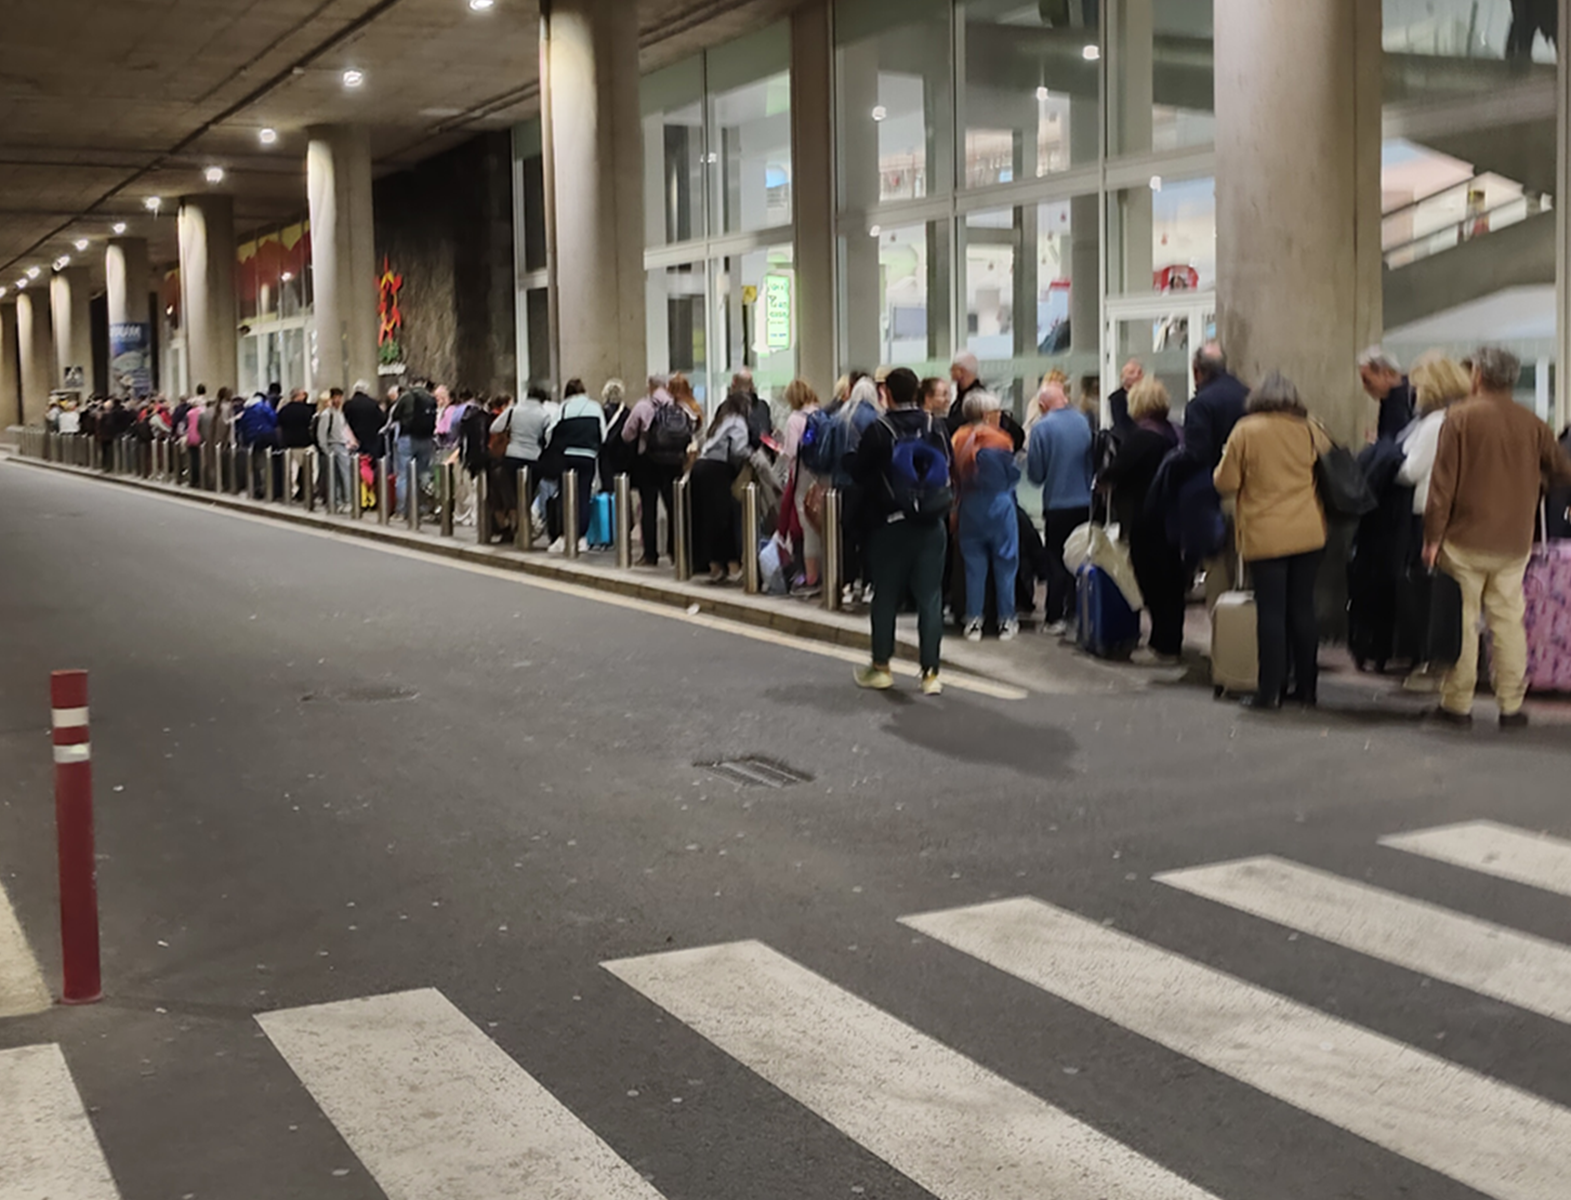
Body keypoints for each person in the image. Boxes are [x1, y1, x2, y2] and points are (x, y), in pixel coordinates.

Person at [1423, 345, 1571, 729]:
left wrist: (1432, 538)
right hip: (1514, 542)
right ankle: (1511, 705)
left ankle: (1457, 703)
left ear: (1477, 376)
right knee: (1508, 622)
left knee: (1465, 621)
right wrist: (1537, 486)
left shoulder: (1458, 418)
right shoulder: (1532, 422)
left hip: (1463, 539)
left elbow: (1442, 486)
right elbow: (1563, 469)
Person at [1214, 371, 1330, 711]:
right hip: (1309, 530)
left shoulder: (1246, 431)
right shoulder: (1309, 428)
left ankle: (1270, 690)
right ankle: (1307, 687)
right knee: (1302, 609)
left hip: (1267, 533)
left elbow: (1227, 482)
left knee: (1272, 612)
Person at [851, 367, 951, 696]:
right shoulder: (935, 425)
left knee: (886, 596)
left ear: (887, 394)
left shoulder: (878, 430)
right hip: (932, 524)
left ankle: (881, 667)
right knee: (930, 597)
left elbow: (861, 475)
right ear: (917, 393)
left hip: (890, 524)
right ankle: (931, 674)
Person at [1098, 376, 1186, 662]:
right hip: (1171, 516)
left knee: (1153, 581)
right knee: (1172, 581)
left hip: (1145, 517)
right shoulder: (1174, 432)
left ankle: (1162, 645)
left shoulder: (1142, 437)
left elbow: (1117, 470)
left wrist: (1103, 480)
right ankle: (1171, 640)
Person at [952, 391, 1021, 642]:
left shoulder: (958, 439)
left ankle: (973, 621)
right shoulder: (1000, 441)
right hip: (999, 504)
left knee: (974, 566)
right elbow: (1013, 475)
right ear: (985, 414)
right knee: (1005, 563)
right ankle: (1006, 620)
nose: (999, 416)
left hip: (969, 505)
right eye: (995, 412)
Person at [1026, 382, 1094, 634]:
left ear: (1042, 406)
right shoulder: (1084, 421)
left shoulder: (1042, 428)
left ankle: (1055, 617)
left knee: (1056, 559)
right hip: (1085, 502)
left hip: (1057, 504)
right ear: (1065, 398)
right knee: (1081, 557)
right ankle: (1079, 613)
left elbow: (1035, 475)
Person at [1186, 342, 1250, 605]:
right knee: (1245, 572)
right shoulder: (1248, 395)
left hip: (1214, 496)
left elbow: (1196, 455)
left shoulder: (1201, 404)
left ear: (1197, 371)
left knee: (1218, 570)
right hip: (1250, 496)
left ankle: (1224, 635)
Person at [622, 375, 690, 566]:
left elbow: (627, 434)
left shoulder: (644, 406)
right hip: (674, 462)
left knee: (649, 507)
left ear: (650, 386)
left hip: (649, 462)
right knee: (673, 507)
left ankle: (650, 555)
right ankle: (676, 552)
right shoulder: (678, 407)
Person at [690, 392, 752, 583]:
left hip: (700, 469)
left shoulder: (720, 420)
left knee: (706, 521)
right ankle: (734, 568)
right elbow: (738, 449)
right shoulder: (737, 422)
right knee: (723, 521)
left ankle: (715, 568)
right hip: (718, 471)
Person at [546, 378, 606, 549]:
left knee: (566, 495)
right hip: (588, 456)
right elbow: (603, 433)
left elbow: (550, 432)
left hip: (567, 455)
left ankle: (565, 535)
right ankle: (581, 537)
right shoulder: (595, 407)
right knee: (583, 495)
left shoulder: (564, 407)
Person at [781, 379, 826, 596]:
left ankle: (811, 578)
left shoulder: (795, 419)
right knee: (823, 523)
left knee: (807, 524)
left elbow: (791, 452)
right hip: (823, 476)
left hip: (803, 476)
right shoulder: (822, 414)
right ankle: (828, 573)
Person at [490, 388, 549, 538]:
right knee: (527, 496)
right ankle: (523, 529)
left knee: (513, 492)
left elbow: (494, 427)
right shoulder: (544, 414)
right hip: (534, 457)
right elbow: (548, 436)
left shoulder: (514, 410)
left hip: (513, 455)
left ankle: (514, 526)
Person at [388, 379, 439, 517]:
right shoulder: (430, 398)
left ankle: (402, 510)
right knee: (424, 474)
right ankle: (422, 508)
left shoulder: (407, 396)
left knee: (404, 476)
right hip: (426, 439)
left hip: (407, 438)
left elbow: (395, 415)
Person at [1359, 347, 1416, 442]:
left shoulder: (1398, 399)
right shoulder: (1393, 395)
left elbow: (1394, 442)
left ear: (1386, 374)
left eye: (1367, 381)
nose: (1365, 387)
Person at [315, 388, 353, 511]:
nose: (338, 400)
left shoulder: (340, 413)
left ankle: (341, 500)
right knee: (341, 475)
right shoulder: (327, 414)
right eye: (336, 397)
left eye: (340, 397)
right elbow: (321, 434)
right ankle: (344, 500)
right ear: (331, 398)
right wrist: (326, 450)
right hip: (334, 445)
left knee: (339, 475)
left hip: (342, 444)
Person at [598, 379, 634, 493]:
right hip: (624, 456)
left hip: (606, 457)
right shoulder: (628, 412)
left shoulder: (601, 412)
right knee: (623, 490)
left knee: (608, 489)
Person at [731, 368, 774, 450]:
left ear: (734, 385)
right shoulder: (762, 406)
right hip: (763, 457)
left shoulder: (730, 408)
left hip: (739, 458)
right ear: (752, 386)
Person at [344, 380, 383, 464]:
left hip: (354, 438)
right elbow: (382, 419)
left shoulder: (348, 405)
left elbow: (344, 421)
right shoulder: (373, 404)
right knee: (370, 463)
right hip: (371, 438)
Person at [946, 352, 985, 436]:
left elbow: (959, 424)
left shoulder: (977, 399)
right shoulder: (960, 398)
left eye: (953, 369)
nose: (950, 372)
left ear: (961, 371)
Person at [1106, 360, 1144, 439]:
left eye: (1139, 372)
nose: (1137, 375)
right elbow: (1121, 426)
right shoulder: (1117, 399)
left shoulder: (1149, 397)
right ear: (1122, 377)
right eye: (1131, 373)